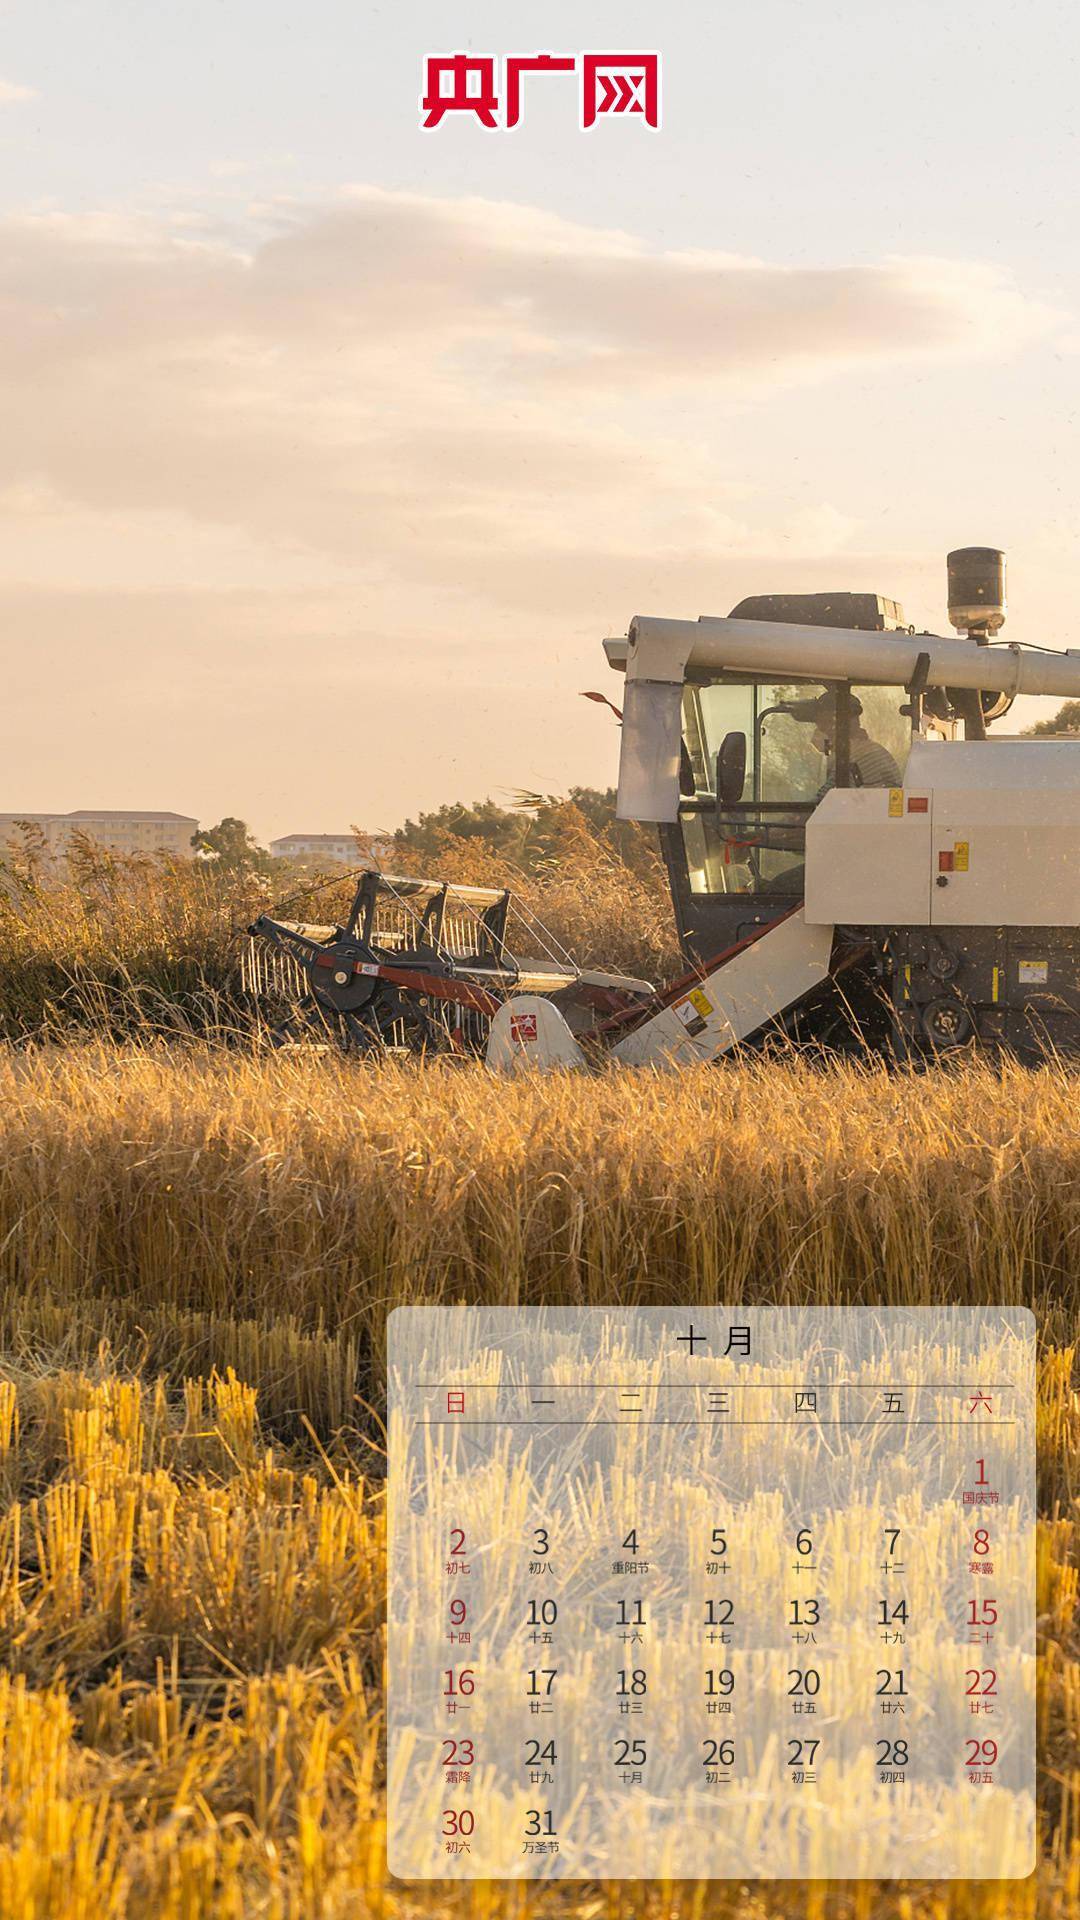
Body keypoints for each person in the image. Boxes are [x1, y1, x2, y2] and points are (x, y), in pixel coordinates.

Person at [806, 692, 902, 792]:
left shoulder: (851, 755)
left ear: (836, 725)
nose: (817, 732)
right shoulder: (867, 749)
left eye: (822, 725)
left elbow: (823, 799)